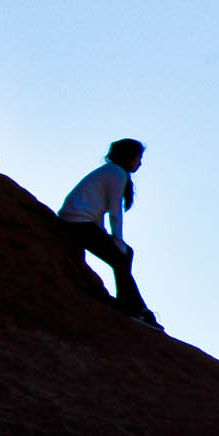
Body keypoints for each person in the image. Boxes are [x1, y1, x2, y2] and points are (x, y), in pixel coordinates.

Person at [59, 138, 160, 328]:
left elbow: (96, 210)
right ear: (129, 157)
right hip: (75, 223)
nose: (140, 163)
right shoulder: (116, 173)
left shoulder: (111, 172)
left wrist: (108, 236)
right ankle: (133, 308)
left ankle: (132, 305)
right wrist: (117, 240)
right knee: (121, 256)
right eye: (139, 158)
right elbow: (114, 211)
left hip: (77, 221)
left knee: (124, 255)